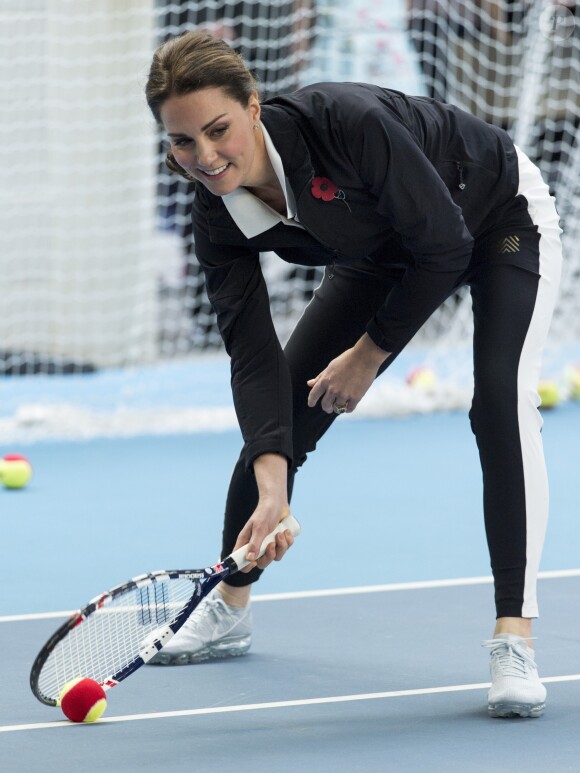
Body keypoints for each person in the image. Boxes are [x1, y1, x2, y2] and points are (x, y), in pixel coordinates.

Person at [144, 30, 562, 718]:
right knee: (282, 412)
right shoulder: (216, 213)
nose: (206, 157)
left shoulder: (347, 124)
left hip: (497, 219)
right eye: (184, 143)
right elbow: (252, 356)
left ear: (253, 107)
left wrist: (369, 355)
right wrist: (272, 487)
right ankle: (230, 600)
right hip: (380, 253)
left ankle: (513, 634)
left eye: (217, 130)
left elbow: (446, 245)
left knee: (499, 400)